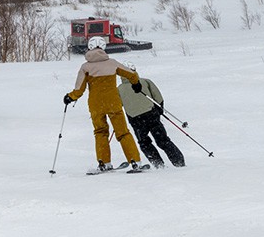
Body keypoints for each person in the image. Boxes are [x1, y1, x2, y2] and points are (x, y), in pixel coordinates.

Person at [64, 36, 148, 172]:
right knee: (123, 133)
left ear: (89, 48)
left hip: (96, 105)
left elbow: (79, 89)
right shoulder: (112, 63)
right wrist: (136, 84)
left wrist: (70, 97)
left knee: (100, 132)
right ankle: (135, 161)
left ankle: (104, 163)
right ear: (103, 48)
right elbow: (131, 74)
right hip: (113, 103)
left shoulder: (85, 67)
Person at [117, 67, 185, 168]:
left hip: (135, 119)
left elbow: (118, 105)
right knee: (163, 140)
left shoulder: (119, 89)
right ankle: (179, 162)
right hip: (151, 115)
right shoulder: (145, 81)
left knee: (144, 143)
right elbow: (158, 97)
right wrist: (160, 109)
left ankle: (158, 164)